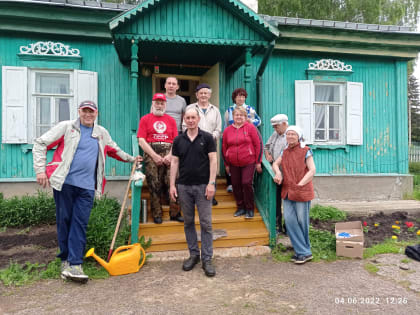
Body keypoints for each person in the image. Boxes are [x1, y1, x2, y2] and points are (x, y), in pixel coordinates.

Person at [33, 100, 142, 283]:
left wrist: (132, 159)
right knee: (64, 221)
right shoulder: (67, 127)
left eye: (91, 112)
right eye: (85, 111)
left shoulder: (101, 133)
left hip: (88, 187)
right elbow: (40, 143)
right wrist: (40, 170)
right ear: (79, 111)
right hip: (64, 184)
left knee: (80, 223)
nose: (88, 114)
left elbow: (115, 150)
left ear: (96, 113)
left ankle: (75, 264)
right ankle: (65, 260)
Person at [170, 107, 217, 277]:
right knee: (188, 222)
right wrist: (172, 185)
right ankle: (193, 255)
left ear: (198, 119)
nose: (190, 120)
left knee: (206, 223)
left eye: (193, 117)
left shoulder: (208, 137)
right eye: (187, 118)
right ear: (184, 119)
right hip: (184, 187)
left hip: (203, 186)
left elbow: (213, 160)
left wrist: (212, 183)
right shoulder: (178, 140)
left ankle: (207, 259)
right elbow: (174, 163)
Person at [272, 126, 316, 265]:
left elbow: (312, 170)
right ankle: (303, 251)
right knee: (290, 221)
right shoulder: (285, 151)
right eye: (288, 134)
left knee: (302, 222)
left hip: (301, 191)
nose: (290, 136)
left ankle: (303, 252)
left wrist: (301, 184)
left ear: (299, 136)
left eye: (293, 134)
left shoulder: (305, 150)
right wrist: (278, 173)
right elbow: (275, 164)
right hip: (288, 191)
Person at [137, 93, 183, 224]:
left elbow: (176, 141)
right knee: (154, 183)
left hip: (169, 153)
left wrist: (170, 155)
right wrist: (154, 156)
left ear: (165, 105)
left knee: (173, 181)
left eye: (162, 103)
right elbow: (141, 141)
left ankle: (175, 212)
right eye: (157, 102)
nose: (159, 105)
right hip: (152, 153)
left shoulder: (171, 120)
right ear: (153, 104)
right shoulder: (145, 119)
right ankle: (157, 214)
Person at [184, 83, 222, 206]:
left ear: (210, 95)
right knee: (197, 166)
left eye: (206, 93)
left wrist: (211, 137)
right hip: (194, 143)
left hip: (210, 143)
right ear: (196, 95)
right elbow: (185, 125)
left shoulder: (215, 110)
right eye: (201, 93)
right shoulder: (190, 107)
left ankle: (212, 194)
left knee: (212, 167)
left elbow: (218, 128)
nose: (203, 95)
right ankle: (196, 195)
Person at [222, 107, 263, 219]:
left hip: (248, 161)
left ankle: (250, 208)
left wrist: (258, 162)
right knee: (236, 185)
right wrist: (226, 164)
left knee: (246, 183)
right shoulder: (227, 130)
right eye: (236, 115)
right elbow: (224, 147)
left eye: (241, 115)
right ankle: (240, 208)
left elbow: (258, 144)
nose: (239, 117)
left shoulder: (250, 128)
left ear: (245, 117)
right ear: (233, 117)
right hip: (233, 163)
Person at [224, 88, 261, 193]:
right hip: (233, 138)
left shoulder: (250, 109)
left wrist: (251, 122)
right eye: (238, 96)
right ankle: (230, 183)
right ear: (234, 98)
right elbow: (227, 124)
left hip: (247, 137)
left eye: (243, 96)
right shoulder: (230, 110)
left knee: (246, 178)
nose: (241, 98)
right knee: (231, 161)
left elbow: (259, 120)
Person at [264, 114, 289, 234]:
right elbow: (267, 146)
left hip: (287, 173)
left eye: (276, 127)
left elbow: (286, 155)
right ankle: (278, 226)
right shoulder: (275, 134)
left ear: (284, 124)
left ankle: (288, 228)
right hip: (276, 172)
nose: (275, 129)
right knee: (276, 200)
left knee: (289, 201)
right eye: (274, 127)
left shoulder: (291, 135)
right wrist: (268, 154)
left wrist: (276, 163)